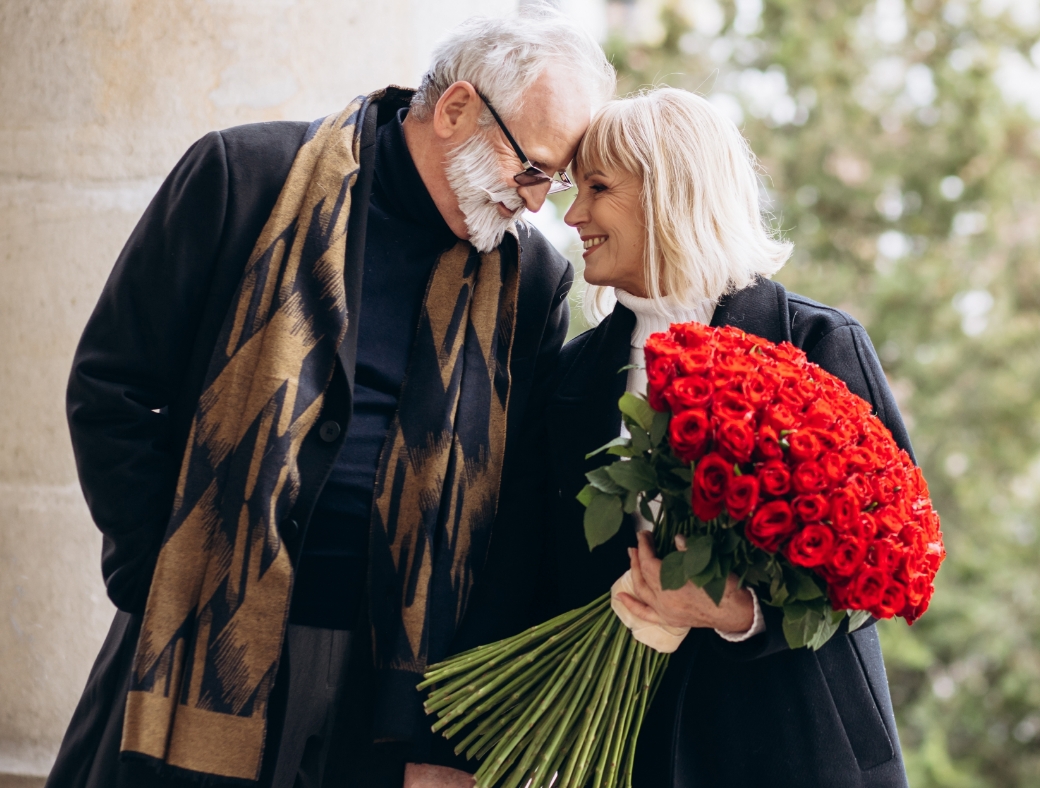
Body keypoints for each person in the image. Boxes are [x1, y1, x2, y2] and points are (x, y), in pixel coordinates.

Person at [47, 8, 615, 788]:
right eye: (532, 169)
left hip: (387, 681)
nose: (537, 203)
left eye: (553, 181)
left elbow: (517, 499)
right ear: (455, 111)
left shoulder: (535, 280)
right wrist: (161, 575)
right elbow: (112, 387)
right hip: (197, 635)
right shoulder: (239, 177)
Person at [541, 88, 913, 787]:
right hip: (631, 751)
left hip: (799, 742)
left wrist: (741, 612)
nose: (574, 214)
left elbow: (884, 564)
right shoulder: (569, 375)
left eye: (597, 187)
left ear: (668, 191)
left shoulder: (818, 341)